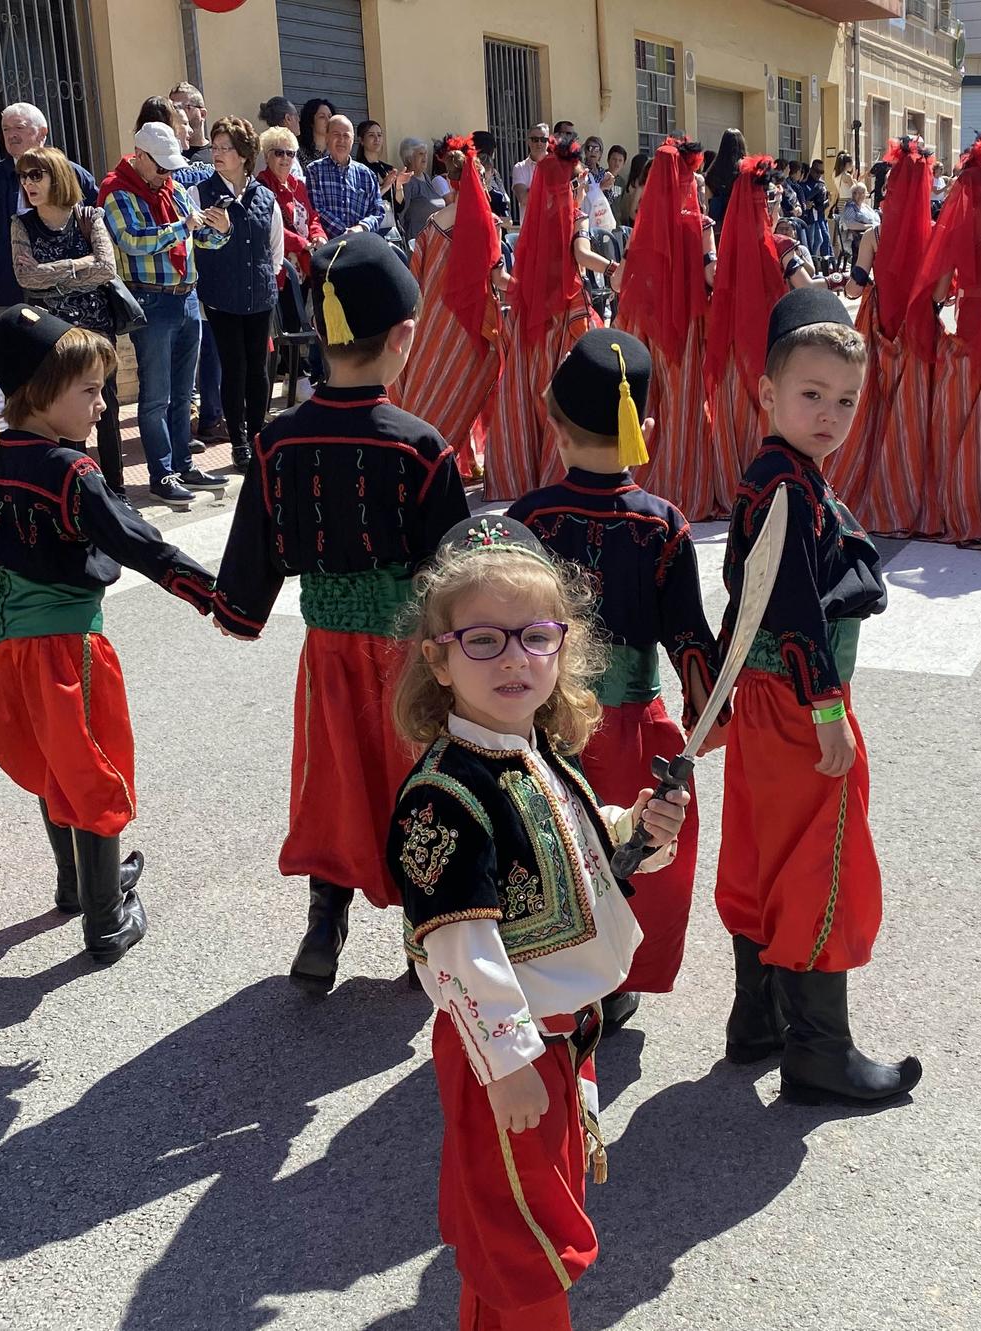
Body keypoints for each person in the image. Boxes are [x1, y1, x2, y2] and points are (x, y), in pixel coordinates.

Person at [388, 511, 688, 1331]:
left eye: (536, 637)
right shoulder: (445, 793)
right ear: (439, 659)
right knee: (526, 1241)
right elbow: (459, 944)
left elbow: (581, 863)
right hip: (509, 1042)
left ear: (566, 648)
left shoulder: (536, 751)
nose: (516, 658)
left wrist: (638, 831)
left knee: (516, 1234)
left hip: (557, 1035)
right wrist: (511, 1059)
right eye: (483, 640)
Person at [213, 236, 471, 993]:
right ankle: (423, 937)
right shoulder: (422, 447)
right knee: (414, 782)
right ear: (402, 338)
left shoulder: (278, 440)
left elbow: (253, 557)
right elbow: (452, 570)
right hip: (407, 657)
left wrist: (239, 608)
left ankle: (324, 920)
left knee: (332, 780)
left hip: (325, 647)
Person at [0, 306, 222, 962]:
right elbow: (135, 541)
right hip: (68, 648)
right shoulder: (72, 472)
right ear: (42, 393)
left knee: (53, 764)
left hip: (4, 647)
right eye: (91, 391)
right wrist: (211, 592)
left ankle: (77, 881)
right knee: (95, 769)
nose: (104, 404)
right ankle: (105, 920)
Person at [716, 286, 923, 1105]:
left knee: (768, 849)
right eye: (811, 395)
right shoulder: (786, 485)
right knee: (820, 857)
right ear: (767, 393)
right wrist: (829, 709)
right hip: (801, 700)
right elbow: (793, 600)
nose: (831, 413)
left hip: (771, 695)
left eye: (845, 399)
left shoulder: (781, 471)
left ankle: (758, 1017)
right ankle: (819, 1048)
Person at [507, 329, 722, 1028]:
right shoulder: (664, 528)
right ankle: (614, 977)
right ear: (645, 428)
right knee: (632, 849)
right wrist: (707, 710)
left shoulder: (529, 518)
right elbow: (690, 638)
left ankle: (547, 970)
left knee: (550, 845)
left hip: (541, 727)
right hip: (630, 725)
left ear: (553, 420)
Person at [99, 121, 233, 510]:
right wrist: (182, 227)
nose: (167, 174)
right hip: (152, 302)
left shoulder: (172, 189)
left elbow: (202, 236)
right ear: (139, 156)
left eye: (171, 167)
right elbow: (134, 241)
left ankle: (184, 464)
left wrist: (220, 228)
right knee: (156, 395)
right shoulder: (116, 192)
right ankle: (162, 474)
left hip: (187, 298)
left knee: (180, 394)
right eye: (160, 167)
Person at [485, 135, 602, 502]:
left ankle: (519, 471)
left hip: (531, 318)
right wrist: (615, 267)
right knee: (564, 391)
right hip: (567, 315)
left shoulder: (535, 220)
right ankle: (561, 469)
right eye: (579, 180)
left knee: (527, 390)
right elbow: (581, 257)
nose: (583, 186)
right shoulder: (576, 217)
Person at [832, 137, 937, 538]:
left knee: (874, 411)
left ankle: (872, 484)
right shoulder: (933, 233)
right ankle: (911, 490)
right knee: (914, 415)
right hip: (918, 330)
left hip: (879, 329)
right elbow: (942, 293)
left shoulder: (876, 234)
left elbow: (856, 289)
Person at [914, 135, 981, 546]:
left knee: (960, 425)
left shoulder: (955, 230)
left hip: (967, 328)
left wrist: (957, 286)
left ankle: (961, 504)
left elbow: (938, 293)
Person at [9, 144, 126, 491]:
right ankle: (75, 488)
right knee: (64, 408)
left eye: (36, 175)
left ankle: (116, 490)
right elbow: (25, 277)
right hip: (55, 334)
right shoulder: (22, 224)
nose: (28, 183)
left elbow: (106, 268)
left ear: (56, 176)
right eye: (23, 176)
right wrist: (79, 264)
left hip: (97, 328)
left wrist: (53, 272)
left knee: (107, 410)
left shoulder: (89, 217)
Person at [389, 135, 503, 482]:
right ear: (478, 179)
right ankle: (447, 456)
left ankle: (420, 455)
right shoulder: (488, 224)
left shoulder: (432, 224)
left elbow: (415, 276)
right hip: (470, 325)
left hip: (431, 323)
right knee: (471, 384)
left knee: (430, 386)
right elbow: (496, 277)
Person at [616, 137, 713, 521]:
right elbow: (711, 273)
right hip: (685, 325)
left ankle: (645, 480)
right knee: (684, 405)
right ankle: (684, 483)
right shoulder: (701, 224)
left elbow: (621, 280)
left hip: (644, 325)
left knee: (649, 404)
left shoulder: (645, 224)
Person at [703, 156, 788, 523]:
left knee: (734, 415)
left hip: (733, 345)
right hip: (768, 346)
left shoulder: (728, 245)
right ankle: (765, 488)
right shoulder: (779, 244)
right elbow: (801, 287)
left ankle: (733, 486)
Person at [193, 116, 281, 474]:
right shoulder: (200, 193)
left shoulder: (266, 197)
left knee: (257, 368)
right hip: (221, 296)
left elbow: (274, 250)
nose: (217, 154)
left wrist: (263, 278)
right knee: (234, 367)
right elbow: (198, 242)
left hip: (259, 294)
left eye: (225, 148)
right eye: (214, 147)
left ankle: (259, 434)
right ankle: (239, 441)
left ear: (244, 155)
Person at [0, 103, 99, 314]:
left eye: (18, 128)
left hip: (73, 295)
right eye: (6, 129)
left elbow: (97, 232)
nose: (11, 135)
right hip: (11, 295)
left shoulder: (74, 175)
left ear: (42, 133)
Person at [259, 124, 327, 395]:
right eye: (279, 153)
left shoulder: (299, 185)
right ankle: (297, 378)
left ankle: (295, 378)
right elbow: (270, 226)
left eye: (290, 153)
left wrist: (318, 236)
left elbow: (312, 217)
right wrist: (304, 244)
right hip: (280, 267)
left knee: (304, 321)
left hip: (304, 265)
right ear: (267, 155)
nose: (285, 158)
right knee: (287, 323)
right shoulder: (263, 185)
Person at [306, 115, 385, 238]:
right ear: (327, 137)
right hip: (329, 248)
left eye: (346, 136)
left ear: (353, 140)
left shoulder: (367, 175)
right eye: (336, 134)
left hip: (361, 245)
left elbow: (378, 211)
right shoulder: (314, 170)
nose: (341, 140)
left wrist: (361, 227)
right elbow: (316, 209)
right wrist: (346, 232)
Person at [394, 136, 441, 240]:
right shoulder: (408, 181)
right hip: (417, 240)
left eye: (425, 154)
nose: (425, 158)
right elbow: (401, 214)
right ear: (409, 158)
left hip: (433, 237)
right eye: (420, 154)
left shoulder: (426, 177)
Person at [512, 123, 550, 217]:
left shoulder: (558, 166)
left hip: (552, 226)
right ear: (528, 141)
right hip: (529, 228)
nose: (539, 143)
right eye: (535, 140)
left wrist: (531, 190)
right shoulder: (519, 168)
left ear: (548, 142)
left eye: (543, 139)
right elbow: (524, 199)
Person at [297, 98, 336, 169]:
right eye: (322, 117)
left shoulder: (336, 153)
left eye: (330, 116)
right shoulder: (299, 153)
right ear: (311, 121)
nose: (328, 120)